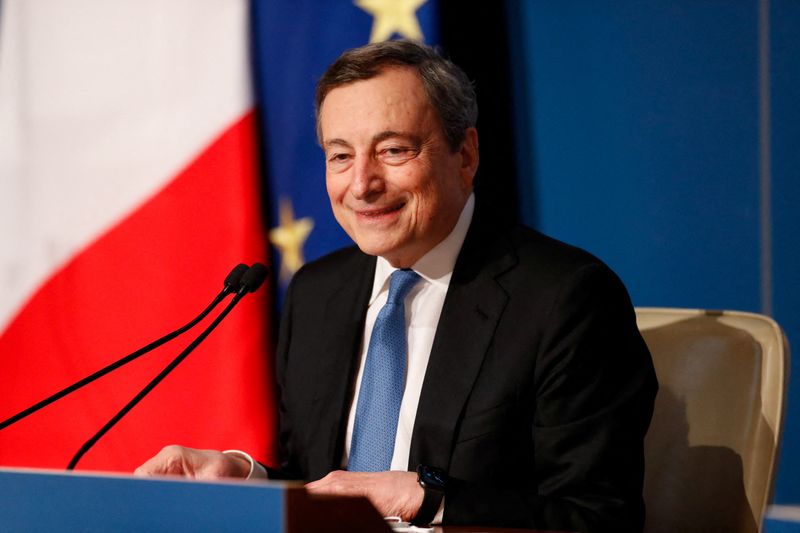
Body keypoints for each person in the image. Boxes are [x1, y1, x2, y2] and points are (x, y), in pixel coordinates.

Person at [136, 40, 657, 532]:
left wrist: (428, 498)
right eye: (340, 156)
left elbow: (598, 518)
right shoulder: (318, 294)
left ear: (466, 155)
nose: (361, 184)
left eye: (392, 150)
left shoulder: (563, 298)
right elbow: (323, 482)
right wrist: (245, 479)